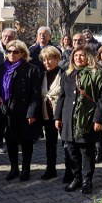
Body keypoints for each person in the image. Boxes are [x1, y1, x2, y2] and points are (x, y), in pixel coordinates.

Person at [55, 47, 102, 194]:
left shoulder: (98, 74)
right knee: (71, 150)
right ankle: (76, 178)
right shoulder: (67, 74)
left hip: (87, 119)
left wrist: (99, 119)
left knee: (86, 152)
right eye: (76, 55)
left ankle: (87, 181)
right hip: (68, 118)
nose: (78, 58)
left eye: (82, 55)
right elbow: (62, 97)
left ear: (89, 57)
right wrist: (57, 117)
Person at [0, 40, 40, 181]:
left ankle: (26, 169)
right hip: (8, 111)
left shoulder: (31, 69)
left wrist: (32, 112)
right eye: (9, 51)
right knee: (10, 141)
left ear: (23, 53)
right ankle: (14, 168)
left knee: (26, 142)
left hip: (25, 110)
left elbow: (35, 93)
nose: (12, 54)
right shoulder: (2, 68)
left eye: (16, 52)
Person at [38, 45, 64, 180]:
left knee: (66, 144)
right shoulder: (42, 75)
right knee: (50, 144)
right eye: (44, 60)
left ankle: (70, 171)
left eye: (49, 59)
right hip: (47, 115)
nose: (46, 62)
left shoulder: (64, 74)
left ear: (57, 59)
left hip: (62, 115)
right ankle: (51, 169)